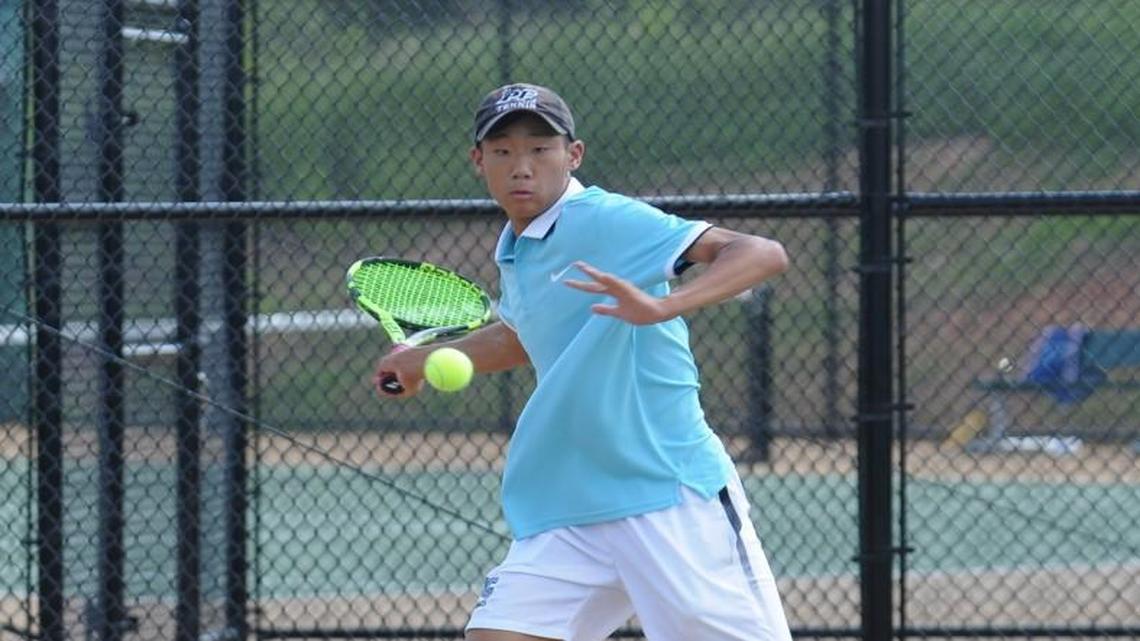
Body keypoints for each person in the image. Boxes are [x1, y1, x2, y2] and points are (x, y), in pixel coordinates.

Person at [374, 82, 792, 641]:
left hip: (666, 494)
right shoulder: (517, 245)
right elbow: (524, 336)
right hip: (570, 507)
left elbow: (761, 253)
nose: (522, 166)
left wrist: (664, 305)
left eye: (540, 149)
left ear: (573, 156)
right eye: (502, 151)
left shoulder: (603, 219)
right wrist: (425, 359)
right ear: (479, 162)